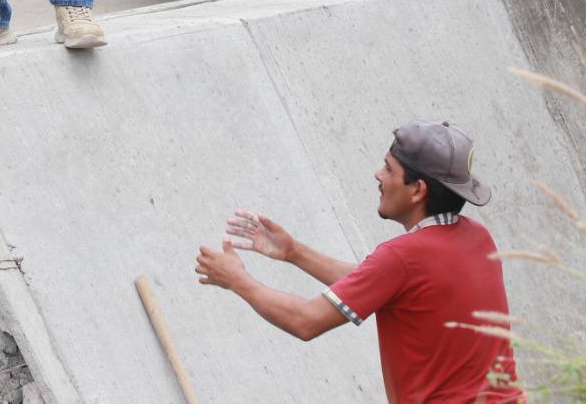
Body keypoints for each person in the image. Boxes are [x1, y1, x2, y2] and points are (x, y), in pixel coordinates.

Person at [195, 121, 525, 403]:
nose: (377, 175)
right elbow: (384, 286)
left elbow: (306, 322)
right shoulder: (477, 238)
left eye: (389, 168)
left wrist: (237, 279)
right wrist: (295, 252)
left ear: (417, 190)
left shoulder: (403, 257)